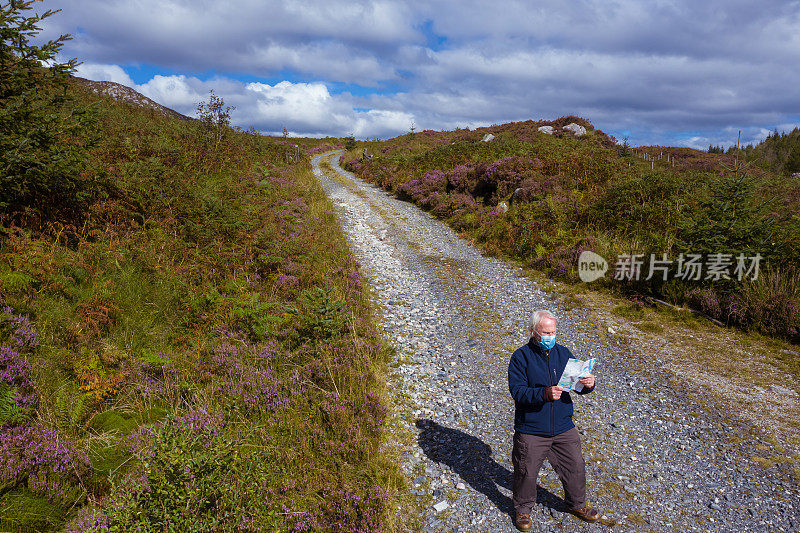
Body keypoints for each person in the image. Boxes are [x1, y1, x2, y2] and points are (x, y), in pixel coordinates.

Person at [507, 309, 600, 531]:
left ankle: (577, 504)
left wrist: (588, 384)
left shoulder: (564, 353)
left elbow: (575, 386)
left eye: (553, 332)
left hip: (562, 425)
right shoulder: (520, 357)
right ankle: (523, 510)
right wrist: (544, 394)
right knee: (526, 471)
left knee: (575, 467)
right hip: (531, 427)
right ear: (533, 332)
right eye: (546, 332)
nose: (550, 336)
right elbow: (517, 391)